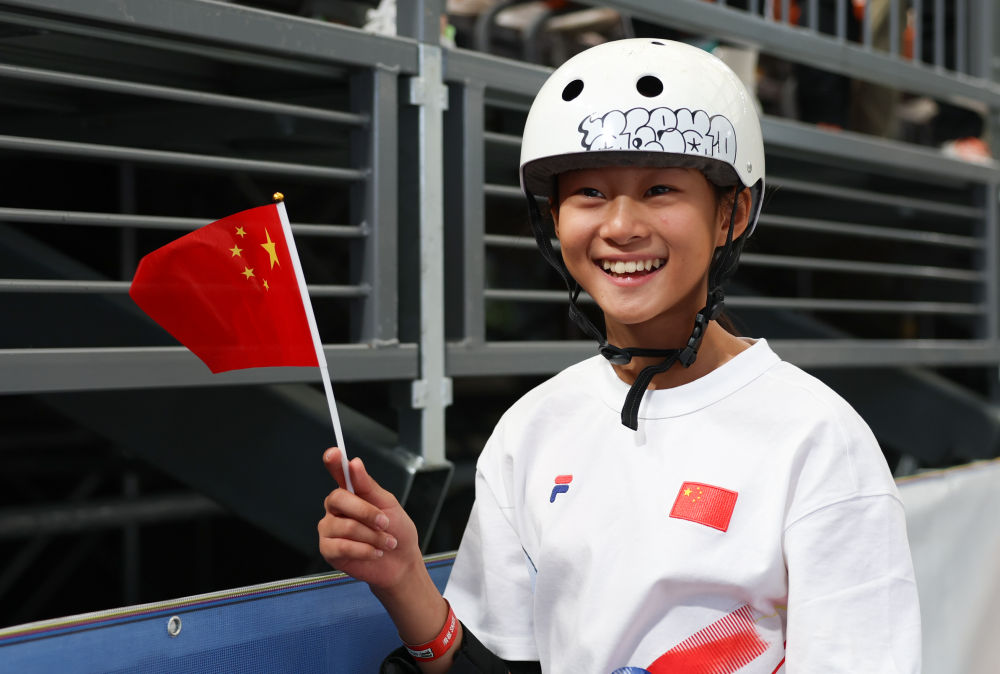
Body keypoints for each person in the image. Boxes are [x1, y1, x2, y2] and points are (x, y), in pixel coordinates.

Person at [318, 38, 921, 673]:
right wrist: (405, 580)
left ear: (733, 212)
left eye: (660, 189)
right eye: (590, 194)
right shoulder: (532, 428)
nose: (621, 227)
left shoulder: (817, 438)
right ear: (554, 219)